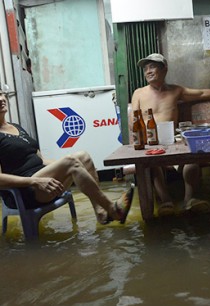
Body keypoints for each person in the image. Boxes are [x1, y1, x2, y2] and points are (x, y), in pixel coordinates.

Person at [131, 53, 210, 216]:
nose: (148, 71)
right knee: (151, 162)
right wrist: (145, 140)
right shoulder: (139, 93)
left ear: (164, 70)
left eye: (152, 67)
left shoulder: (175, 91)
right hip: (150, 141)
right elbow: (133, 122)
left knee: (194, 153)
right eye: (145, 68)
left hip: (174, 139)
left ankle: (189, 200)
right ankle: (166, 201)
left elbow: (202, 93)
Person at [0, 91, 133, 225]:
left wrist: (78, 165)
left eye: (0, 94)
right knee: (71, 161)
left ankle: (100, 213)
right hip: (25, 191)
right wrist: (33, 181)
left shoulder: (16, 127)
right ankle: (112, 208)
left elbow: (41, 159)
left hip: (45, 182)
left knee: (83, 156)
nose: (1, 99)